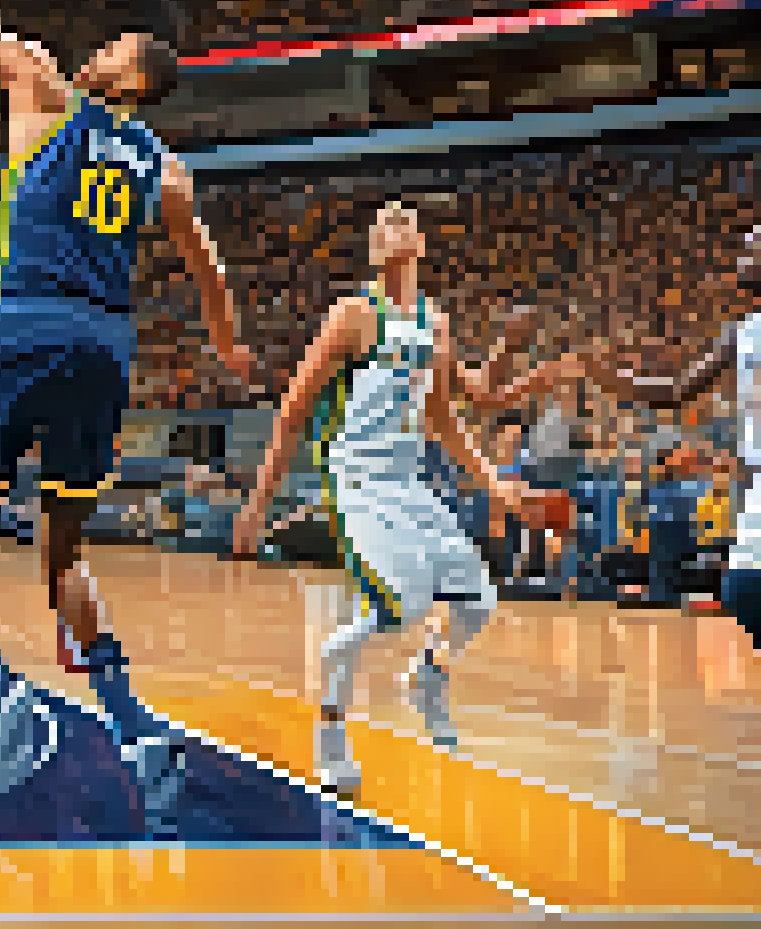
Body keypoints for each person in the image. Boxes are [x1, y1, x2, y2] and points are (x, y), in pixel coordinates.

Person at [0, 0, 255, 813]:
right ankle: (136, 728)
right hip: (105, 344)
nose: (97, 45)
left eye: (112, 45)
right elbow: (209, 269)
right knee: (63, 554)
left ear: (127, 77)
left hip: (21, 321)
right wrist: (227, 341)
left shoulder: (44, 90)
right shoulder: (169, 168)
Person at [233, 202, 528, 791]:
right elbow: (292, 413)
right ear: (373, 251)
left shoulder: (435, 323)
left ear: (420, 241)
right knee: (400, 607)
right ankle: (330, 734)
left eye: (404, 219)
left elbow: (442, 416)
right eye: (383, 224)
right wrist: (258, 503)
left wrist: (492, 478)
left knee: (477, 601)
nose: (395, 225)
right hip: (357, 483)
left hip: (410, 484)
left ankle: (425, 673)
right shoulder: (351, 317)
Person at [517, 234, 761, 647]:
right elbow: (675, 389)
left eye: (754, 248)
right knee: (742, 591)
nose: (743, 256)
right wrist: (610, 378)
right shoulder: (740, 334)